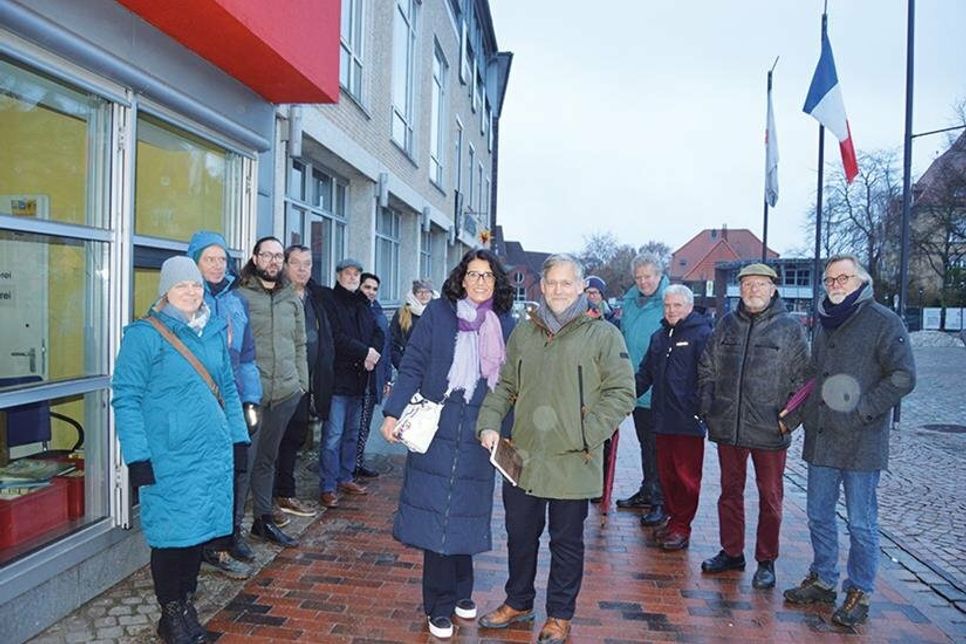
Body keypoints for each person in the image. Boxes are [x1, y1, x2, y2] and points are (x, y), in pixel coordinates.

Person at [476, 254, 636, 644]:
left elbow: (622, 393)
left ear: (581, 287)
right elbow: (506, 386)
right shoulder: (525, 332)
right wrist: (488, 423)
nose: (559, 290)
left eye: (567, 283)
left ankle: (560, 615)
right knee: (520, 535)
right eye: (552, 283)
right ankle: (518, 601)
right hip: (524, 458)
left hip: (573, 461)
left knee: (565, 544)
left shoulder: (603, 335)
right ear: (541, 287)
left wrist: (585, 433)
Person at [112, 256, 249, 643]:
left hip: (211, 454)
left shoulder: (211, 329)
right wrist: (137, 458)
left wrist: (239, 441)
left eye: (194, 285)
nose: (190, 292)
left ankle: (185, 607)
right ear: (165, 292)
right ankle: (171, 614)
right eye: (180, 286)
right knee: (173, 538)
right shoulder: (145, 335)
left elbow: (229, 389)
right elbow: (125, 398)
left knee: (197, 535)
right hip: (169, 457)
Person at [380, 249, 515, 640]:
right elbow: (414, 364)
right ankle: (437, 605)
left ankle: (461, 590)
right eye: (473, 274)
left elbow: (508, 384)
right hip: (435, 425)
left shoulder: (504, 323)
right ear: (461, 277)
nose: (479, 282)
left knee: (467, 513)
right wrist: (392, 412)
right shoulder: (439, 314)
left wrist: (504, 429)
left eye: (487, 276)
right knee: (435, 513)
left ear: (496, 282)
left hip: (479, 429)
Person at [783, 254, 916, 627]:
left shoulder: (884, 322)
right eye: (830, 279)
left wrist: (862, 412)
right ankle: (824, 578)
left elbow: (904, 376)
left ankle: (859, 589)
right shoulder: (826, 322)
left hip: (861, 441)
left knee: (861, 522)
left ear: (861, 281)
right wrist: (797, 414)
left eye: (843, 278)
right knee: (818, 515)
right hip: (823, 438)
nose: (836, 284)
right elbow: (813, 374)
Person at [697, 263, 810, 589]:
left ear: (773, 289)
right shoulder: (727, 325)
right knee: (729, 493)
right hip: (729, 426)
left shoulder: (788, 329)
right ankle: (732, 551)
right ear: (739, 289)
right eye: (747, 285)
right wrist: (709, 407)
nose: (753, 290)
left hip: (769, 429)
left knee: (770, 497)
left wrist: (788, 422)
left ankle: (766, 559)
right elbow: (708, 366)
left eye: (760, 285)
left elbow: (805, 381)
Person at [185, 231, 262, 580]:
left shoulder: (236, 300)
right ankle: (207, 546)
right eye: (208, 259)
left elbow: (247, 356)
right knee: (208, 476)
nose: (217, 266)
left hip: (232, 399)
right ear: (194, 262)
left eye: (222, 259)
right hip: (199, 404)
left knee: (236, 468)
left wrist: (251, 398)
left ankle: (229, 535)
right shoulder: (186, 300)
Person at [236, 237, 307, 548]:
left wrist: (300, 384)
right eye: (267, 255)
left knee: (268, 458)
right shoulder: (239, 297)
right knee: (244, 464)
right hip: (252, 396)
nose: (273, 261)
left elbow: (301, 343)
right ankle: (231, 531)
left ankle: (262, 521)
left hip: (285, 393)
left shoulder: (291, 298)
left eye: (279, 256)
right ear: (255, 258)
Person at [634, 285, 712, 551]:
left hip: (687, 422)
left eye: (677, 305)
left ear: (689, 307)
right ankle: (672, 519)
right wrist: (623, 396)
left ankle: (682, 526)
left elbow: (709, 378)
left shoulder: (702, 334)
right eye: (667, 305)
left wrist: (700, 411)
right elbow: (645, 374)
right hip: (662, 418)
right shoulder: (659, 337)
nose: (671, 310)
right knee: (666, 475)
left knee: (686, 478)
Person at [273, 245, 335, 519]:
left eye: (307, 264)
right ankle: (279, 496)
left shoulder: (316, 299)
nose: (302, 269)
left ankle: (284, 492)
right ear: (285, 265)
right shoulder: (277, 298)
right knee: (278, 442)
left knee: (296, 438)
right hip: (282, 384)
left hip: (308, 383)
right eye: (296, 263)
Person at [318, 259, 384, 507]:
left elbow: (378, 332)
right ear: (338, 275)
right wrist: (365, 353)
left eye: (356, 274)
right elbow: (336, 337)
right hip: (338, 379)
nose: (353, 277)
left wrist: (373, 353)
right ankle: (327, 485)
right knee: (333, 435)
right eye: (348, 273)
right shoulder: (330, 301)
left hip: (360, 379)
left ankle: (346, 477)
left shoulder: (363, 303)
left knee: (352, 434)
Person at [617, 254, 670, 528]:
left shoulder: (669, 301)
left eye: (648, 276)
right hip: (635, 385)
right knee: (645, 444)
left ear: (659, 275)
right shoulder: (630, 302)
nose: (644, 282)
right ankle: (648, 490)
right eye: (639, 277)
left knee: (660, 447)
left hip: (660, 387)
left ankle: (661, 500)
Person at [356, 272, 392, 479]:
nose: (370, 292)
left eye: (374, 289)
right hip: (358, 377)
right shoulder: (357, 310)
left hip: (375, 378)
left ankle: (357, 462)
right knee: (353, 425)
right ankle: (349, 465)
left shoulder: (378, 311)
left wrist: (387, 377)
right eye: (367, 287)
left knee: (365, 423)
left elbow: (385, 348)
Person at [390, 278, 436, 369]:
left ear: (432, 294)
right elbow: (393, 342)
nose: (424, 295)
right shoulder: (403, 313)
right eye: (419, 292)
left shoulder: (439, 312)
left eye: (427, 292)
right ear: (414, 294)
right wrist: (401, 364)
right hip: (410, 366)